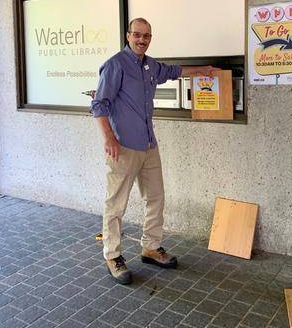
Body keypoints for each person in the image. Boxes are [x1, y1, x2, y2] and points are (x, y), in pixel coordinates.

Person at [92, 18, 218, 285]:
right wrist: (109, 138)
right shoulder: (116, 65)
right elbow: (99, 104)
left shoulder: (150, 65)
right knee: (115, 205)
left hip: (149, 145)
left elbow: (175, 71)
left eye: (146, 35)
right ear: (128, 36)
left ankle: (150, 247)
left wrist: (203, 70)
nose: (142, 39)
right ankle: (112, 255)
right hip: (123, 147)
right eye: (137, 34)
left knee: (156, 198)